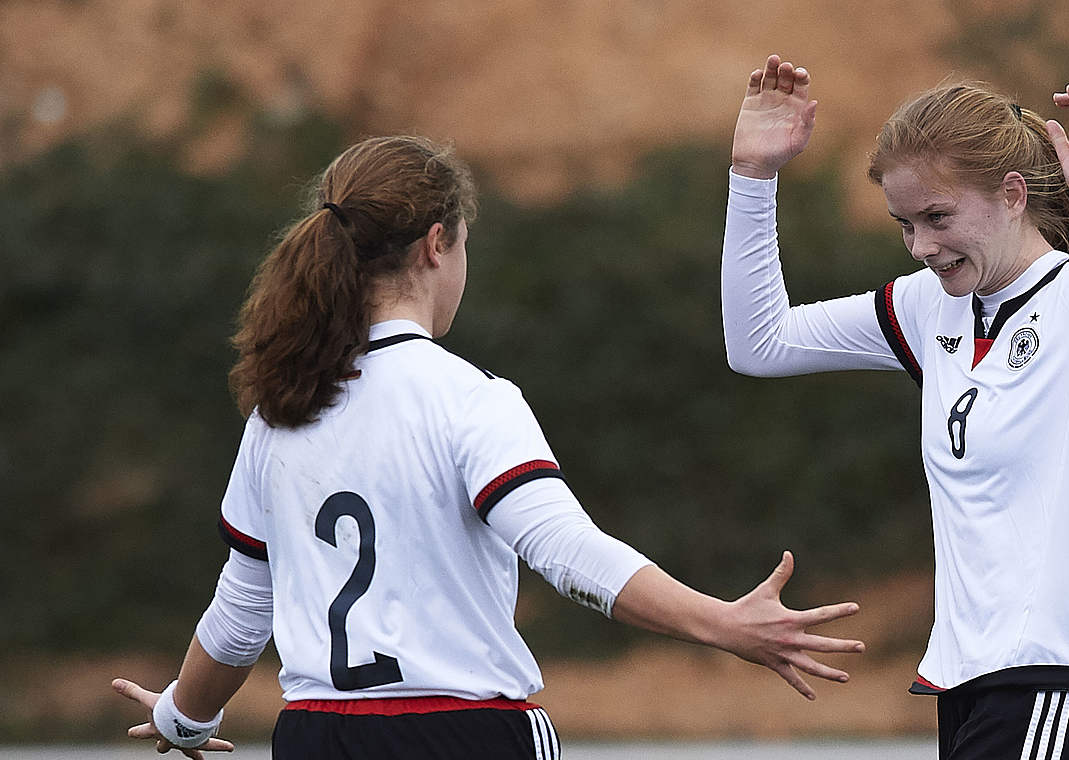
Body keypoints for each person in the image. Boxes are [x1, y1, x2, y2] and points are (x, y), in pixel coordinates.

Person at [111, 135, 865, 759]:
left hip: (315, 738)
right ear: (438, 245)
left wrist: (183, 717)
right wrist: (721, 621)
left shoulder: (278, 414)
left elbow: (244, 613)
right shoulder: (468, 397)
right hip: (463, 735)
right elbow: (567, 551)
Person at [722, 55, 1069, 759]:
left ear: (1014, 194)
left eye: (938, 217)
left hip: (1057, 687)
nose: (922, 246)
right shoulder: (930, 309)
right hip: (973, 690)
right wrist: (753, 176)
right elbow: (759, 344)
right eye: (904, 225)